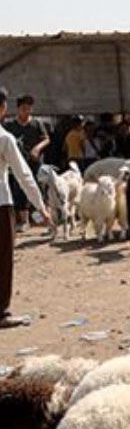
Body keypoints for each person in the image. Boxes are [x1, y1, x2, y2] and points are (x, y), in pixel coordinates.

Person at [0, 91, 52, 326]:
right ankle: (1, 313)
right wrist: (41, 206)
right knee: (3, 259)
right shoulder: (4, 138)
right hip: (1, 205)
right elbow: (24, 175)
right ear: (3, 108)